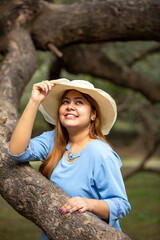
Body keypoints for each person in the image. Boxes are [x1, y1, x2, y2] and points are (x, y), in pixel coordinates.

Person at [8, 78, 131, 240]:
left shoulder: (100, 153)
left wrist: (89, 204)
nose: (70, 106)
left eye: (79, 102)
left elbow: (121, 205)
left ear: (93, 114)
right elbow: (16, 152)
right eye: (65, 102)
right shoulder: (52, 140)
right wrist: (34, 101)